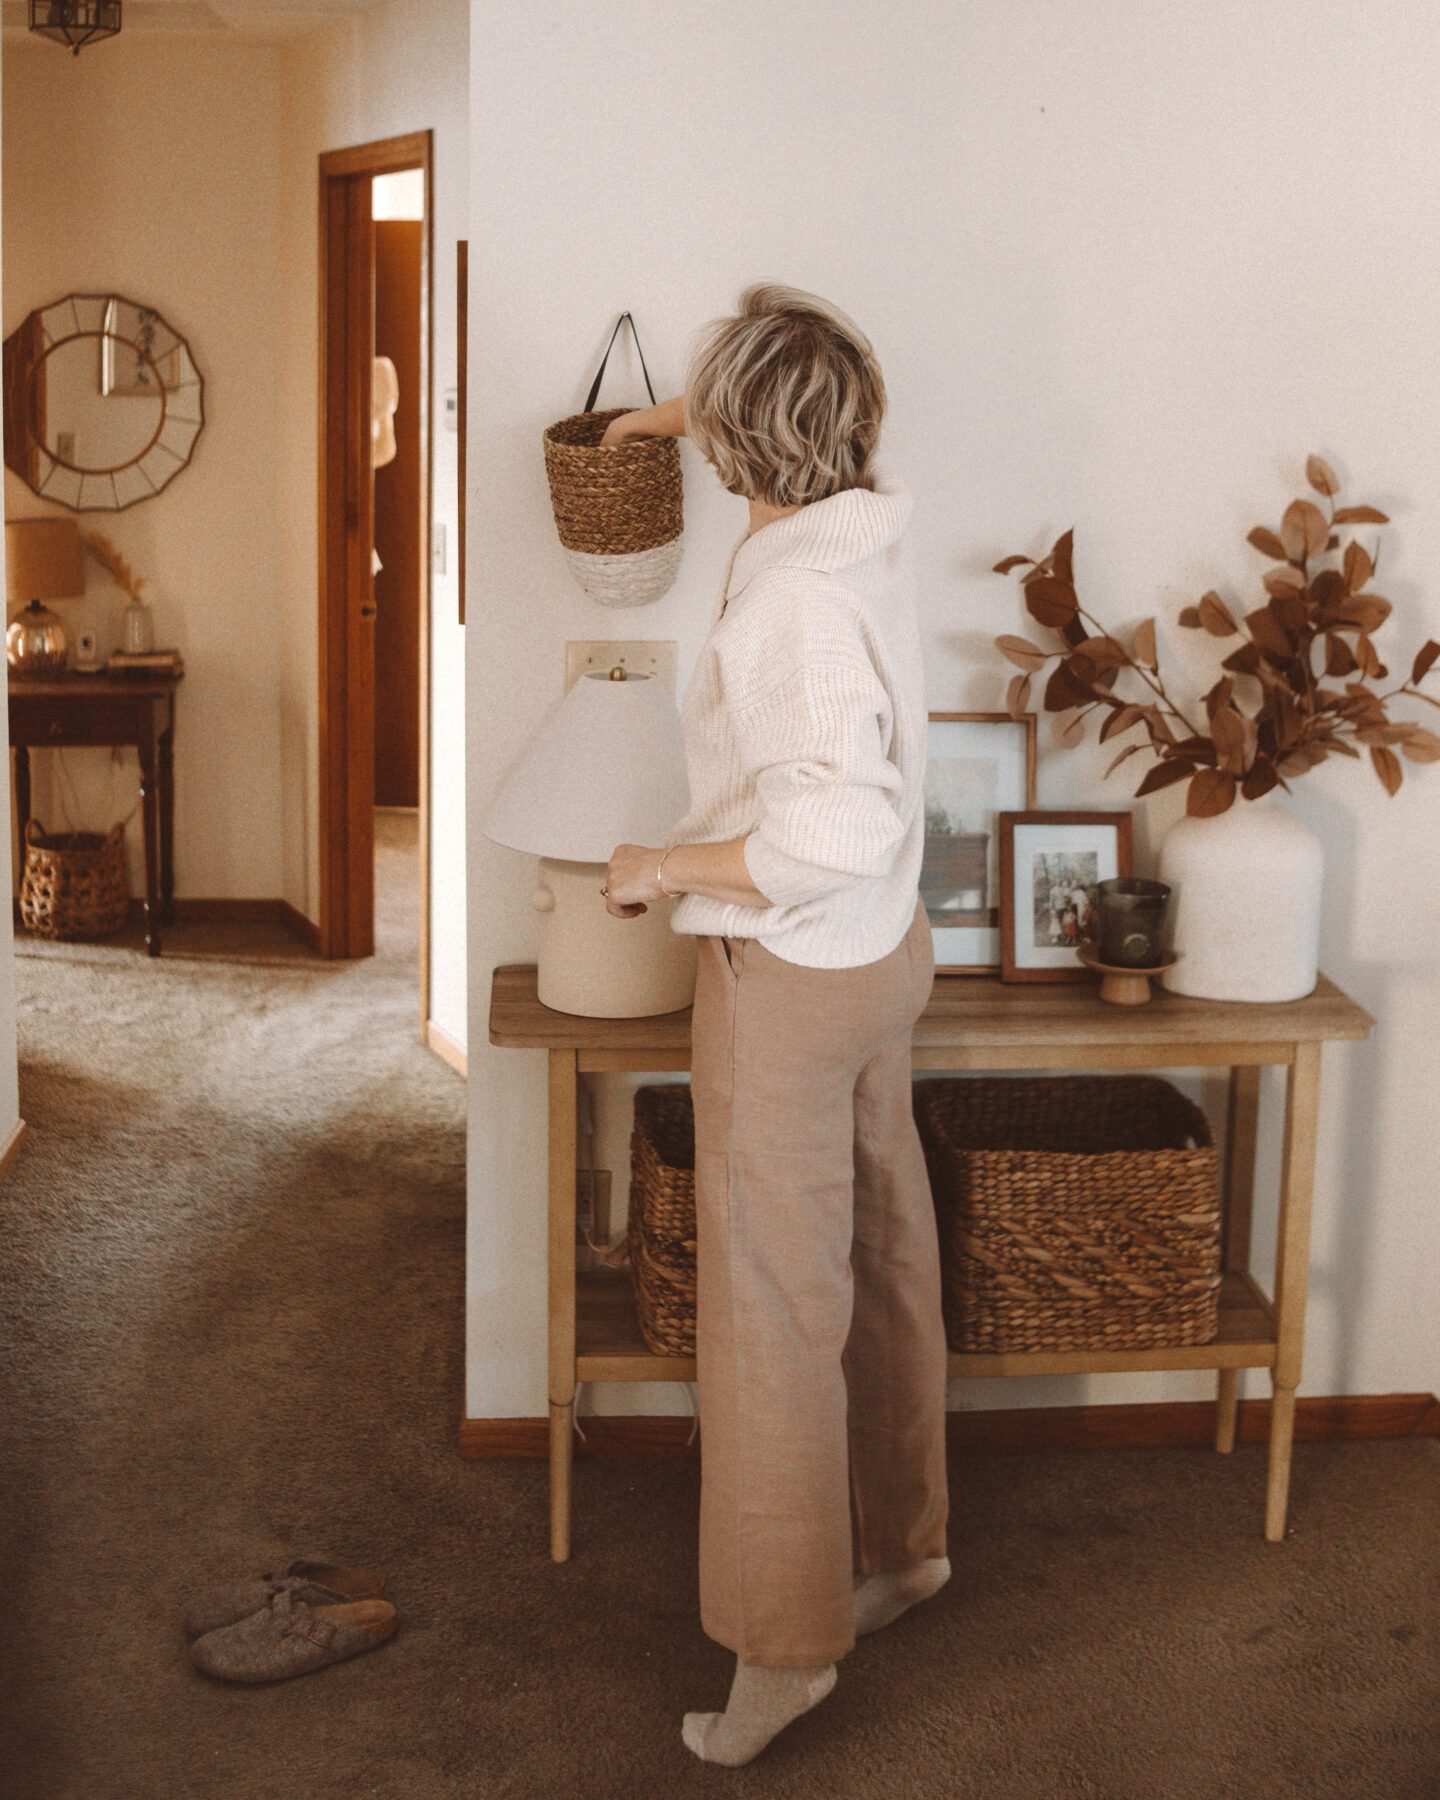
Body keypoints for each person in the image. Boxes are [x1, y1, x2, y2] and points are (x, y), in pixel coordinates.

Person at [601, 284, 949, 1767]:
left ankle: (785, 1646)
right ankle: (901, 1550)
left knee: (772, 1316)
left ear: (746, 442)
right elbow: (786, 355)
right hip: (885, 963)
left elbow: (829, 835)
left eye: (704, 423)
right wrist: (678, 411)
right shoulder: (854, 528)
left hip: (795, 973)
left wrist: (658, 867)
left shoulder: (792, 608)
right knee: (878, 1249)